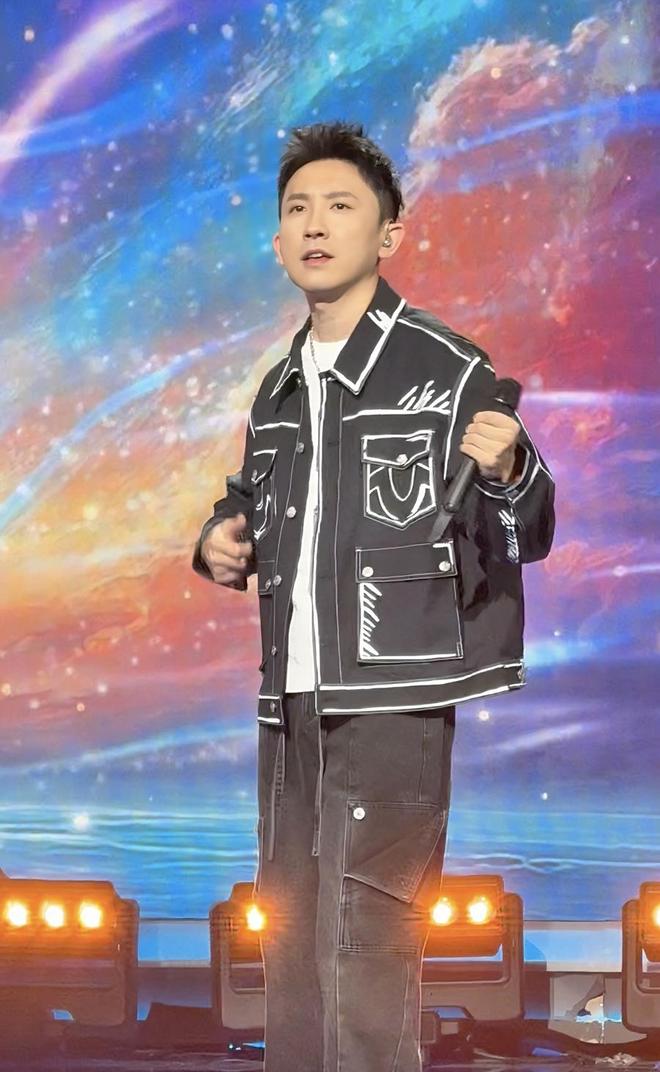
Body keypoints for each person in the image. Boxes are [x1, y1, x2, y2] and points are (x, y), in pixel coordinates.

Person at [192, 121, 554, 1072]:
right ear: (277, 240)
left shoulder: (447, 367)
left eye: (340, 206)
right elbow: (248, 504)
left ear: (388, 232)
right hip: (289, 705)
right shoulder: (275, 388)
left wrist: (511, 469)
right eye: (297, 209)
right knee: (291, 943)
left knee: (367, 945)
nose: (315, 225)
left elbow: (530, 529)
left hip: (393, 700)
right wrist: (221, 539)